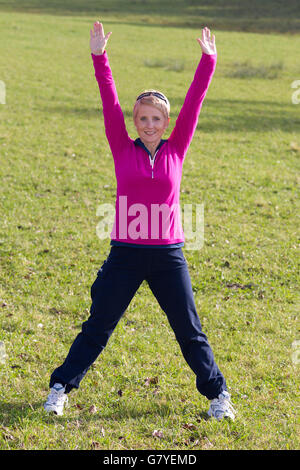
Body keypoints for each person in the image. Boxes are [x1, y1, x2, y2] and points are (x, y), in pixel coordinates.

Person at [44, 21, 236, 421]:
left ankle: (219, 395)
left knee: (189, 331)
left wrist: (209, 61)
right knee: (98, 327)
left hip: (168, 255)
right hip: (126, 253)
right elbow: (108, 99)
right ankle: (60, 387)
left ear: (166, 123)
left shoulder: (176, 148)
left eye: (156, 119)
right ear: (135, 121)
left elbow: (196, 100)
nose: (149, 125)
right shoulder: (121, 146)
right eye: (143, 119)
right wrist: (100, 58)